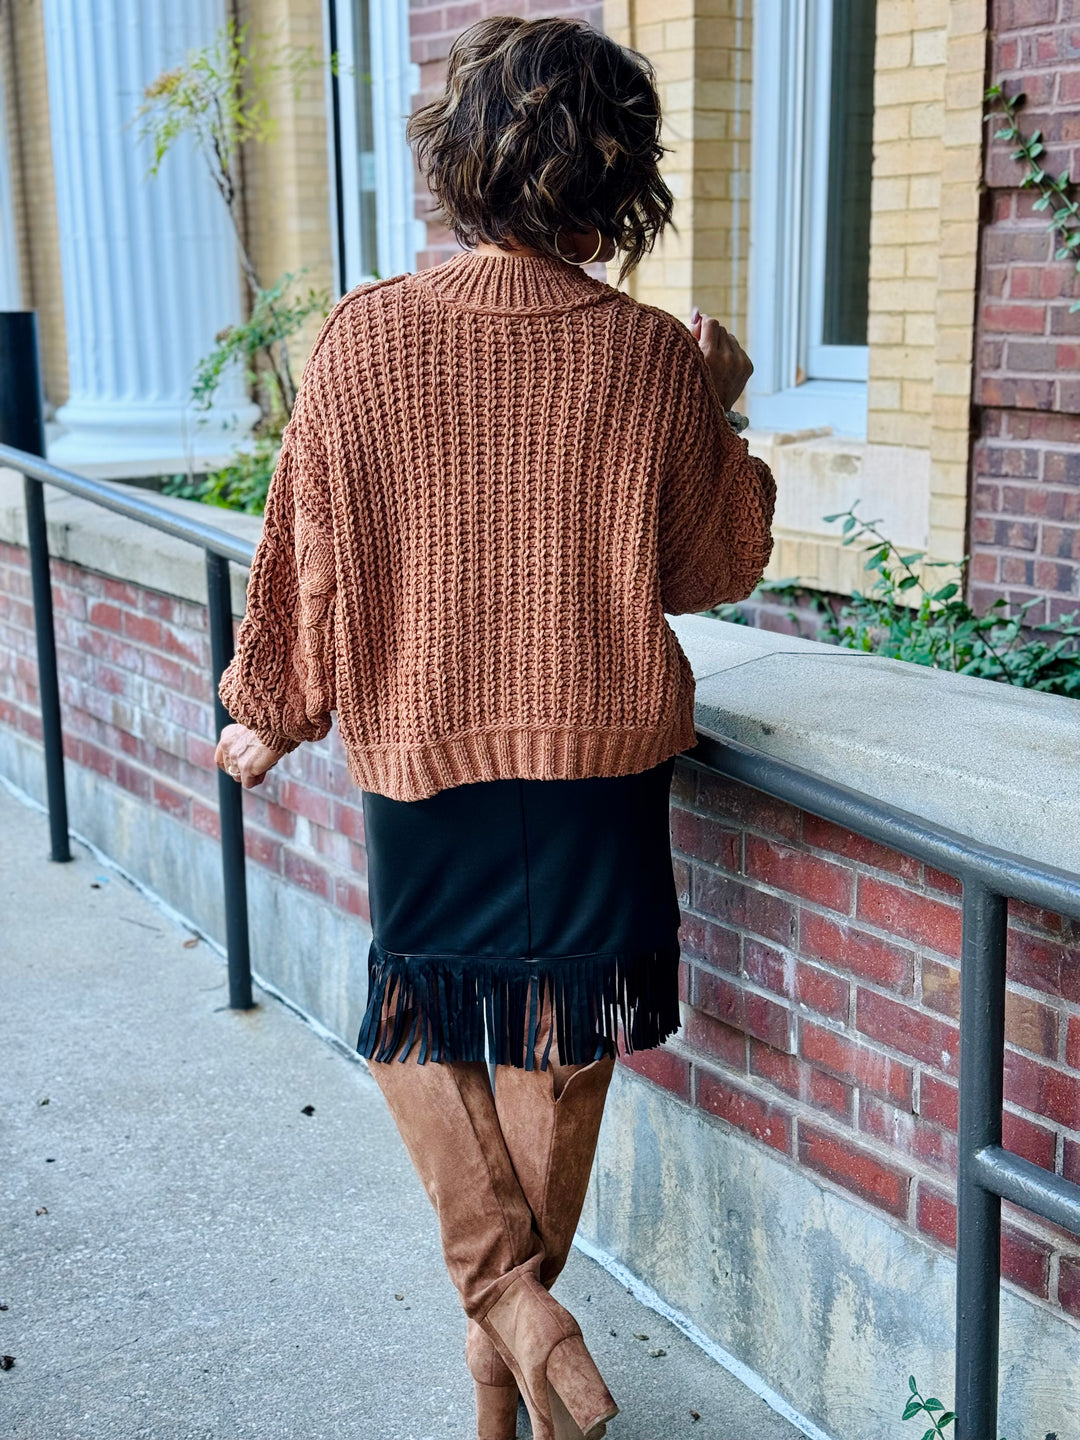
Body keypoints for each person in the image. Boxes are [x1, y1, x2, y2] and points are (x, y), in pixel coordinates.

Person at [214, 14, 776, 1439]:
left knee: (425, 1018)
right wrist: (716, 408)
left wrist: (273, 710)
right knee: (565, 1045)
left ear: (460, 161)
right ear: (618, 175)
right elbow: (711, 568)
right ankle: (522, 1323)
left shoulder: (362, 337)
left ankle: (500, 1348)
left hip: (425, 749)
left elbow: (305, 556)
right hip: (599, 759)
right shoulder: (652, 357)